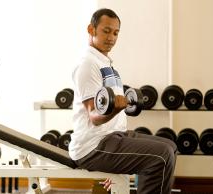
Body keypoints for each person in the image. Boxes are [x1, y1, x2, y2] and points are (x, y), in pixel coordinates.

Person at [69, 8, 177, 194]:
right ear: (91, 29)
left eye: (116, 33)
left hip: (114, 135)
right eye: (106, 30)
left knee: (171, 146)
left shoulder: (106, 63)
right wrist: (116, 108)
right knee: (161, 156)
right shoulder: (88, 64)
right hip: (94, 146)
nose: (111, 37)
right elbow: (94, 115)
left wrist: (122, 106)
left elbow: (114, 104)